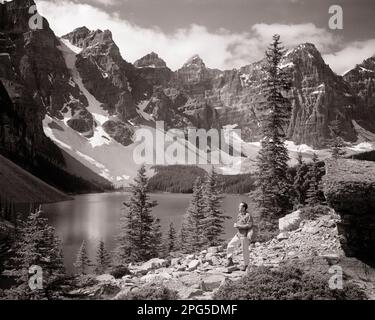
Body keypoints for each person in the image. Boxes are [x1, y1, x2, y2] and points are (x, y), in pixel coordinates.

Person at [225, 202, 253, 271]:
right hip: (238, 234)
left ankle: (246, 265)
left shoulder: (248, 215)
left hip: (244, 235)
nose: (238, 207)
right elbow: (239, 222)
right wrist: (237, 225)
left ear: (244, 208)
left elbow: (249, 225)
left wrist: (238, 226)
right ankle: (230, 260)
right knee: (230, 245)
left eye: (240, 206)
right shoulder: (239, 214)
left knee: (245, 250)